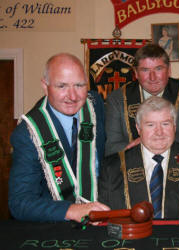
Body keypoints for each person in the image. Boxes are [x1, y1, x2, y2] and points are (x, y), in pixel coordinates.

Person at [9, 53, 110, 222]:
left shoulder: (95, 104)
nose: (72, 96)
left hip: (100, 218)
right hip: (54, 227)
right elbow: (20, 203)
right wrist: (71, 210)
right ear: (45, 86)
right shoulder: (27, 133)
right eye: (62, 86)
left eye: (79, 85)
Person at [98, 96, 179, 218]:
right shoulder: (112, 167)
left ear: (174, 127)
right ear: (138, 129)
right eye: (150, 125)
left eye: (165, 124)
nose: (159, 132)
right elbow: (103, 215)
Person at [104, 43, 179, 156]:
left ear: (169, 70)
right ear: (136, 73)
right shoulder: (117, 98)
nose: (152, 77)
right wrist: (144, 142)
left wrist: (161, 140)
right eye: (145, 70)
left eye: (158, 69)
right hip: (134, 168)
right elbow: (111, 148)